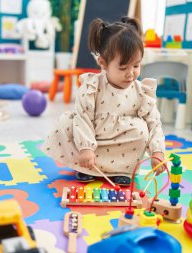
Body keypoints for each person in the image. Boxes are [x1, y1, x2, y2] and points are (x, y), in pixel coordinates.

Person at [42, 17, 165, 185]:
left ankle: (120, 170)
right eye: (123, 68)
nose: (131, 73)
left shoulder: (142, 91)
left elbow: (154, 122)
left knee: (141, 129)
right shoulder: (92, 86)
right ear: (103, 63)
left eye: (136, 66)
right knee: (67, 121)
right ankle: (85, 167)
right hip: (93, 137)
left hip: (122, 144)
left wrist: (158, 152)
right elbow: (83, 116)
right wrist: (86, 147)